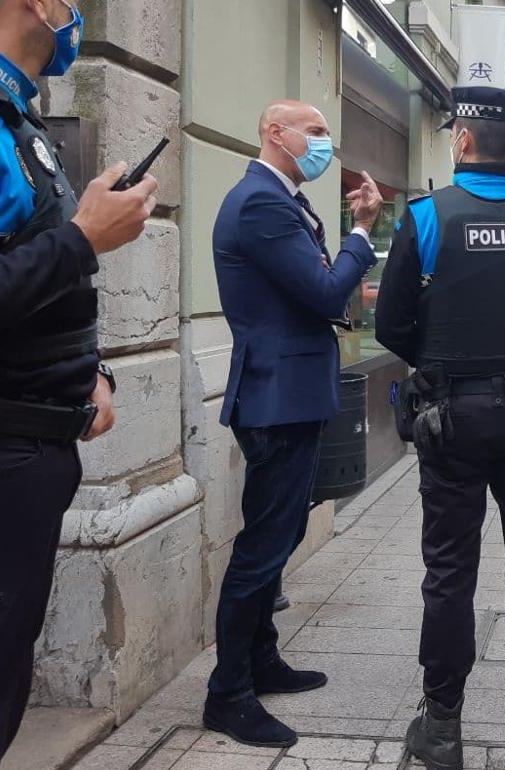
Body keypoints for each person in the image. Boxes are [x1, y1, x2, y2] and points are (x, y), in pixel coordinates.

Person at [375, 86, 505, 770]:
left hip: (451, 421)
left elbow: (392, 325)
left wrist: (441, 366)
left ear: (462, 141)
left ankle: (442, 730)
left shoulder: (428, 218)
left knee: (448, 572)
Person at [0, 1, 160, 764]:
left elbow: (40, 288)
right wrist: (84, 236)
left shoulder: (22, 121)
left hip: (36, 447)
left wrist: (87, 373)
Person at [206, 99, 383, 748]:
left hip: (289, 395)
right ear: (275, 133)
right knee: (262, 550)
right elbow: (327, 291)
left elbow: (312, 288)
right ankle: (228, 695)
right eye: (315, 131)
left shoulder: (281, 199)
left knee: (273, 540)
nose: (325, 144)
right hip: (276, 399)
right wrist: (363, 234)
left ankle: (261, 660)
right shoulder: (261, 203)